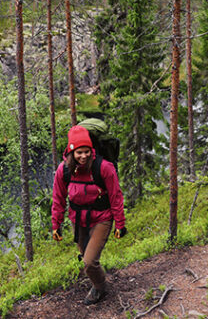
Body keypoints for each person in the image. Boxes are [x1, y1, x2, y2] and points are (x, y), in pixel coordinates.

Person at [52, 125, 127, 305]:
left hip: (102, 218)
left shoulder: (104, 168)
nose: (84, 156)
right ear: (71, 152)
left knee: (89, 262)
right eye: (79, 152)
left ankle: (100, 288)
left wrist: (120, 223)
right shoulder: (64, 170)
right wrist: (56, 225)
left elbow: (116, 196)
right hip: (78, 220)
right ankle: (98, 281)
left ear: (91, 150)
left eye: (87, 152)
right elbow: (58, 199)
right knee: (86, 258)